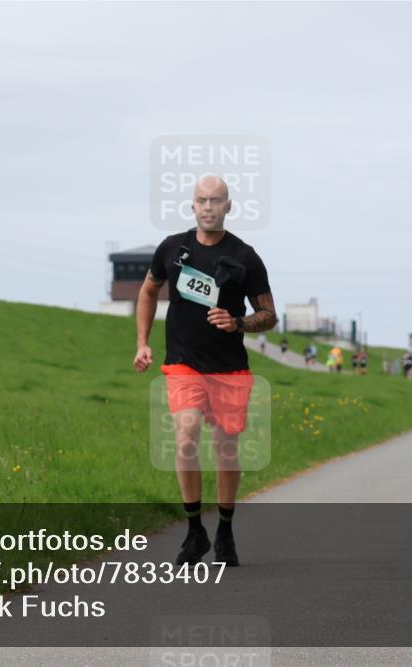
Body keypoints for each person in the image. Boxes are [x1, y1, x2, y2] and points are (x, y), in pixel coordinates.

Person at [133, 175, 278, 567]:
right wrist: (142, 343)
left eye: (216, 200)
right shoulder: (172, 249)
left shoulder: (245, 256)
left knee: (226, 450)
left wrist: (237, 322)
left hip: (230, 369)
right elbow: (148, 290)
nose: (209, 207)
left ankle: (225, 531)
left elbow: (269, 316)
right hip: (183, 363)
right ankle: (194, 529)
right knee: (186, 435)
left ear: (228, 206)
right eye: (202, 200)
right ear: (192, 206)